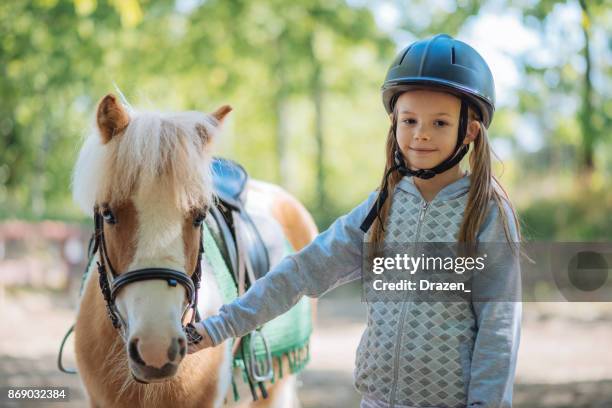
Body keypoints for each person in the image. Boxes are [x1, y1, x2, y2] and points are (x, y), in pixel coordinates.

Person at [189, 33, 522, 408]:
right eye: (409, 120)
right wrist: (216, 328)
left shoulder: (487, 213)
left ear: (470, 131)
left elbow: (499, 322)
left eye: (440, 123)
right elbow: (300, 272)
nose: (421, 133)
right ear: (394, 123)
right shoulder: (377, 211)